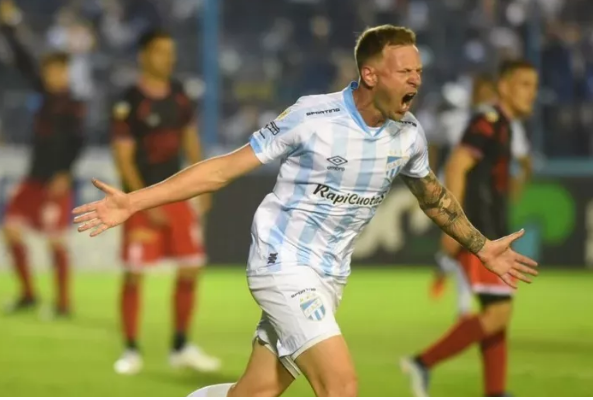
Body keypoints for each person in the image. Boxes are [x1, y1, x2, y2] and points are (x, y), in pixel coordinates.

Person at [73, 26, 538, 397]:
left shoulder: (409, 134)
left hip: (330, 275)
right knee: (341, 387)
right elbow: (223, 169)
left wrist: (482, 247)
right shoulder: (313, 117)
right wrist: (133, 201)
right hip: (282, 263)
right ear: (370, 75)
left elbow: (433, 197)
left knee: (255, 392)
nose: (416, 79)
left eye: (418, 70)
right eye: (405, 71)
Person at [401, 60, 539, 397]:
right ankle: (422, 362)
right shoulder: (487, 121)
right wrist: (454, 229)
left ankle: (495, 392)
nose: (531, 93)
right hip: (480, 234)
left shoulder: (504, 125)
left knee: (498, 312)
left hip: (492, 232)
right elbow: (457, 166)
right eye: (524, 84)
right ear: (503, 86)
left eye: (534, 86)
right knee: (498, 313)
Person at [108, 30, 219, 375]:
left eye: (171, 52)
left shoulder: (181, 96)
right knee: (134, 274)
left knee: (191, 267)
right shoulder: (129, 101)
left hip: (176, 194)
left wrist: (203, 186)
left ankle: (180, 347)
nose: (168, 58)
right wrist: (141, 201)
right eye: (160, 52)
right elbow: (123, 157)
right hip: (140, 198)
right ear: (143, 55)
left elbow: (190, 140)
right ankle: (130, 350)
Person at [0, 0, 85, 317]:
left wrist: (64, 172)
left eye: (59, 70)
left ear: (66, 73)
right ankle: (28, 294)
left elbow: (78, 142)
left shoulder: (74, 104)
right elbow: (23, 61)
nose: (53, 75)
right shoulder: (45, 95)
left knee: (55, 241)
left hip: (56, 180)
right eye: (50, 70)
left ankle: (63, 303)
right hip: (33, 178)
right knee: (10, 230)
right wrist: (9, 26)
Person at [428, 75, 533, 317]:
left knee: (467, 248)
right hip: (457, 194)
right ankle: (464, 304)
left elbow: (525, 161)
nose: (483, 96)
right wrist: (431, 177)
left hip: (486, 199)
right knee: (466, 246)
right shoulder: (458, 120)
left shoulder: (506, 124)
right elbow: (441, 151)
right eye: (479, 91)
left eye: (487, 92)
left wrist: (515, 187)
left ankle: (445, 266)